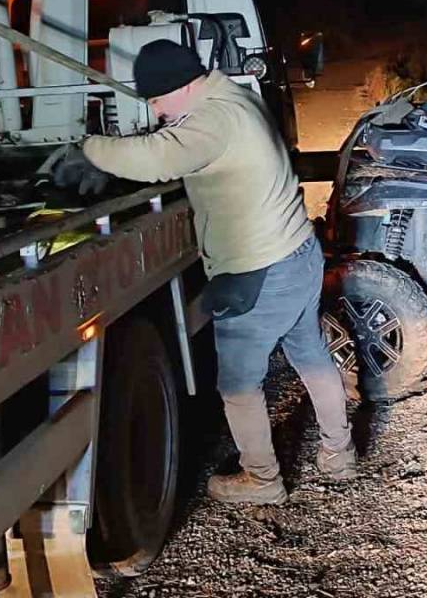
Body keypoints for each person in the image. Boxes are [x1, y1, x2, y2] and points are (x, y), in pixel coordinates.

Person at [53, 39, 354, 505]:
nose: (154, 112)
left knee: (238, 386)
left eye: (156, 100)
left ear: (184, 85)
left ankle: (263, 480)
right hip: (298, 254)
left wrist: (89, 149)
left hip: (258, 272)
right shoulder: (236, 97)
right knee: (312, 357)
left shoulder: (214, 120)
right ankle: (340, 454)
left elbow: (159, 157)